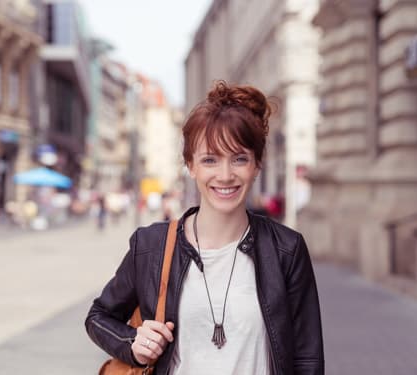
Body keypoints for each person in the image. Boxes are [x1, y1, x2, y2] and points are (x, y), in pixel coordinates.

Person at [85, 81, 324, 374]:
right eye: (210, 159)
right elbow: (98, 316)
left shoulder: (286, 249)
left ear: (256, 164)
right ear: (191, 165)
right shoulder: (151, 246)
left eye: (239, 159)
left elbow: (307, 358)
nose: (225, 175)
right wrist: (133, 343)